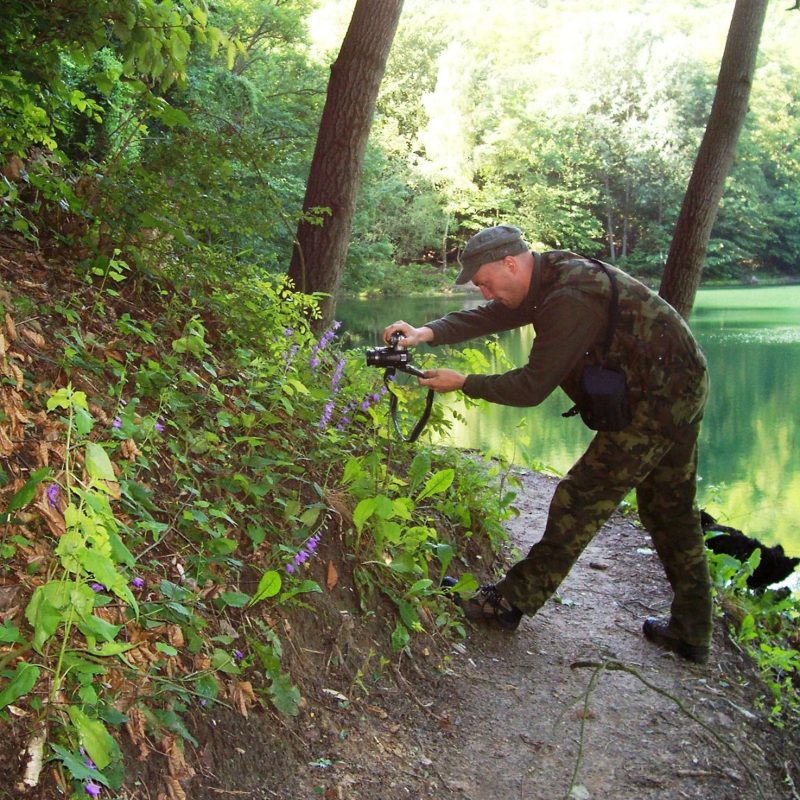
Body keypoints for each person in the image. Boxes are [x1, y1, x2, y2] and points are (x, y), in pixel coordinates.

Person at [383, 224, 712, 663]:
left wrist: (464, 382)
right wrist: (426, 332)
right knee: (669, 509)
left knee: (582, 498)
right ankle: (693, 631)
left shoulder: (570, 298)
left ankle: (508, 603)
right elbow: (495, 315)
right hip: (678, 383)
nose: (483, 292)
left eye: (483, 281)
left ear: (510, 263)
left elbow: (532, 386)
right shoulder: (546, 274)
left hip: (662, 397)